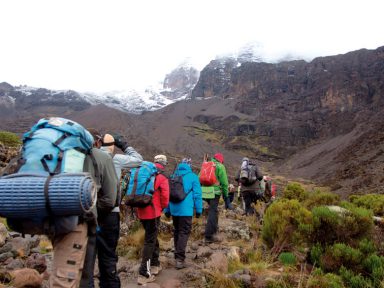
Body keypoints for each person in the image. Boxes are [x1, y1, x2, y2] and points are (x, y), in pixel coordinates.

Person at [50, 128, 118, 288]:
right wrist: (93, 210)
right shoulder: (102, 157)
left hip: (59, 219)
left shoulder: (61, 155)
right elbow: (110, 199)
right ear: (97, 142)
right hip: (85, 222)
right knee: (86, 273)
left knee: (64, 271)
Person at [94, 133, 143, 288]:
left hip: (88, 213)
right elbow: (139, 160)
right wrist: (125, 146)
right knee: (108, 258)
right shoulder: (115, 159)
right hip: (110, 213)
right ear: (113, 145)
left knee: (86, 258)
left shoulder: (88, 157)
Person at [136, 154, 170, 285]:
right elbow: (166, 197)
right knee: (150, 241)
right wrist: (161, 208)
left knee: (152, 237)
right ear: (164, 164)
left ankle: (155, 265)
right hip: (153, 212)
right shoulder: (161, 177)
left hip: (141, 211)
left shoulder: (144, 174)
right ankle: (143, 273)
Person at [164, 158, 203, 269]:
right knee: (184, 232)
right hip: (186, 211)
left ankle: (177, 254)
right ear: (189, 166)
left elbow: (167, 194)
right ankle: (180, 259)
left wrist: (167, 210)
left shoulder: (172, 176)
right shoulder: (193, 177)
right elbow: (197, 195)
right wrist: (199, 210)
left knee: (177, 231)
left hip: (174, 210)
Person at [204, 153, 229, 244]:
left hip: (204, 192)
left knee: (213, 211)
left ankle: (214, 229)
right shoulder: (220, 166)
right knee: (212, 211)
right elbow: (225, 183)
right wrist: (226, 195)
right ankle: (209, 235)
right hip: (214, 193)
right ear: (221, 160)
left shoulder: (207, 164)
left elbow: (199, 177)